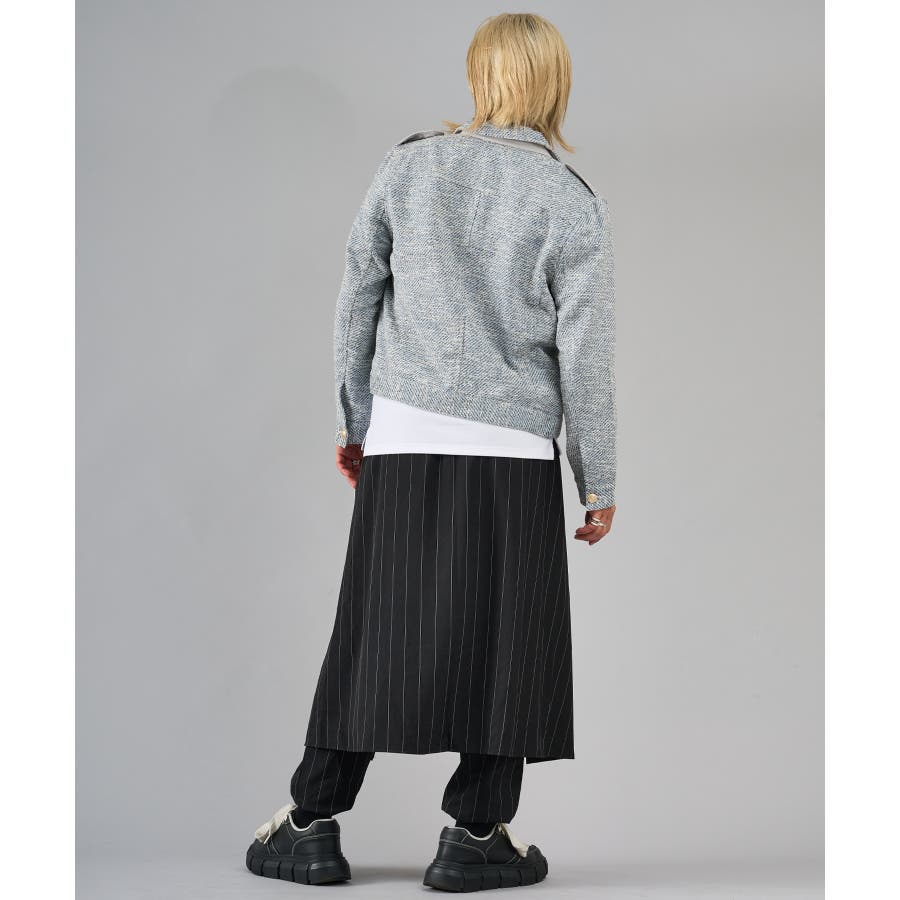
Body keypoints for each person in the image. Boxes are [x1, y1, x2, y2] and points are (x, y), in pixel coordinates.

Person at [246, 11, 617, 892]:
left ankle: (310, 824)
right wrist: (596, 480)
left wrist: (356, 423)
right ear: (557, 85)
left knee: (376, 631)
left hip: (407, 434)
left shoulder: (409, 167)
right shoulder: (571, 198)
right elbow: (587, 356)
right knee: (506, 643)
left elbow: (357, 300)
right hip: (516, 450)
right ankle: (476, 836)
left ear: (478, 77)